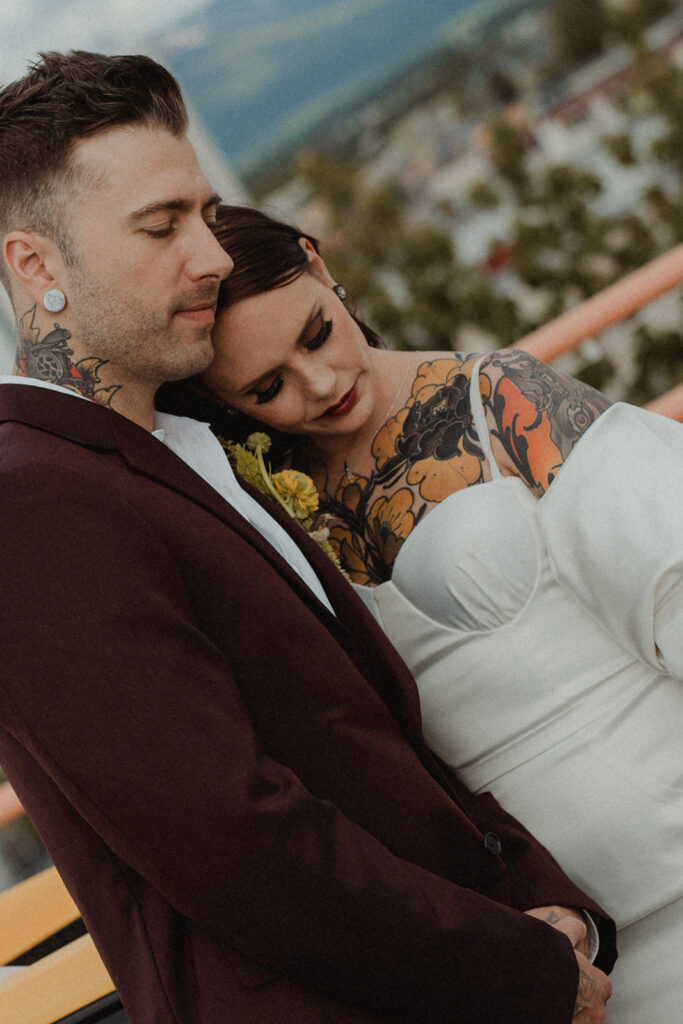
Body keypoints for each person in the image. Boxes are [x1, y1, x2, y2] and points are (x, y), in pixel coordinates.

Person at [0, 52, 615, 1024]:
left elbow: (370, 742)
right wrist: (518, 968)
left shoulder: (188, 447)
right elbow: (235, 842)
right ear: (35, 265)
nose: (208, 254)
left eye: (203, 213)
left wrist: (556, 915)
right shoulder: (27, 501)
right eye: (161, 226)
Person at [165, 203, 683, 1024]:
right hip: (563, 959)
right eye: (268, 387)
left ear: (317, 262)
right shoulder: (270, 525)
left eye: (314, 334)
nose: (323, 384)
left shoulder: (501, 402)